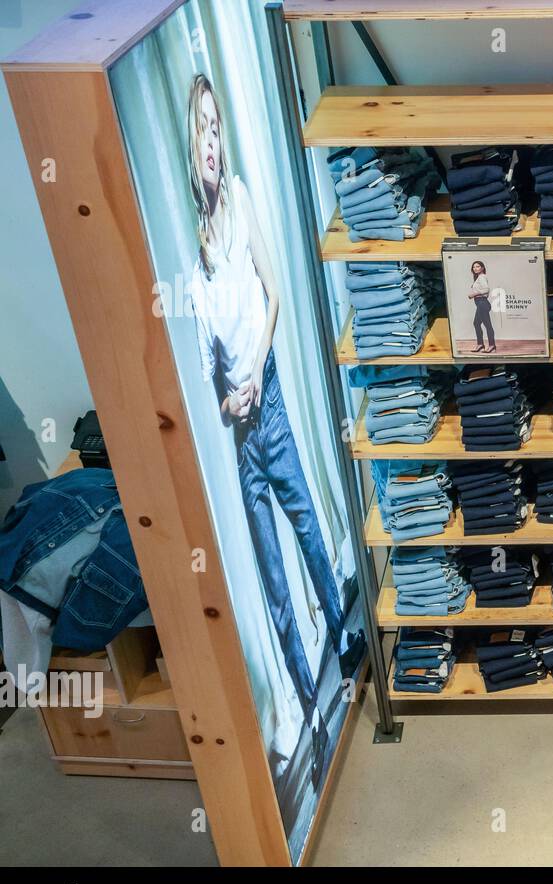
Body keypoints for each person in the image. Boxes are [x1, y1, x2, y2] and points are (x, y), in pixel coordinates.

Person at [185, 73, 353, 787]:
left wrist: (253, 370)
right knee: (272, 578)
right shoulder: (194, 242)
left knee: (310, 531)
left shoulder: (244, 196)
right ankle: (311, 712)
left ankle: (346, 656)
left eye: (219, 127)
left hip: (272, 401)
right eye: (205, 129)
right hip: (236, 426)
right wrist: (224, 396)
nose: (215, 142)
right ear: (190, 142)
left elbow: (275, 290)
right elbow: (203, 349)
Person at [469, 259, 495, 353]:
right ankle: (480, 344)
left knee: (487, 325)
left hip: (482, 303)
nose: (475, 268)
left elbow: (486, 290)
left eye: (478, 266)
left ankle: (492, 346)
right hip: (480, 303)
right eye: (474, 267)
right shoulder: (478, 278)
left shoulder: (482, 277)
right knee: (476, 323)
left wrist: (473, 294)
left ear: (482, 268)